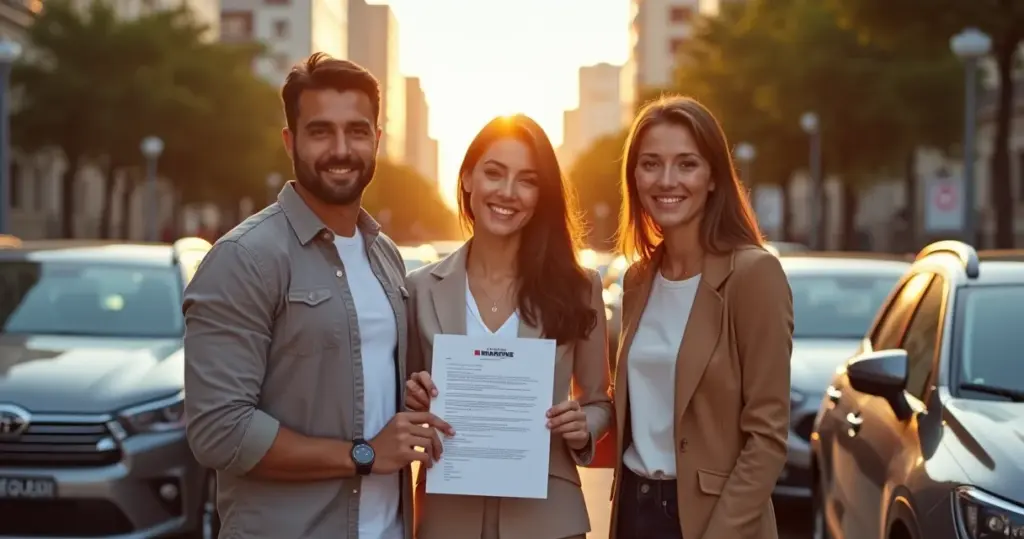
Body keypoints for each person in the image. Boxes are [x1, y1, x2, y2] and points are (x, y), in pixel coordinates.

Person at [182, 53, 452, 539]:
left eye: (357, 131)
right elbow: (220, 431)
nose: (341, 149)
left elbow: (373, 390)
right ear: (291, 141)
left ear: (376, 139)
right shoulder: (244, 258)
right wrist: (363, 454)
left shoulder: (385, 255)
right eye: (321, 131)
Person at [403, 114, 612, 539]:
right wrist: (411, 399)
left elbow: (598, 402)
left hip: (549, 519)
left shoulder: (578, 287)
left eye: (527, 180)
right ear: (467, 178)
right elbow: (400, 403)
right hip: (447, 517)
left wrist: (582, 426)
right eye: (494, 173)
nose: (508, 192)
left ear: (541, 195)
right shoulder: (419, 288)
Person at [608, 96, 794, 539]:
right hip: (634, 511)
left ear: (713, 178)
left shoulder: (754, 275)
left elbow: (767, 437)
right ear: (634, 177)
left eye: (686, 164)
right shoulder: (638, 280)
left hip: (714, 521)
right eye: (651, 164)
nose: (666, 180)